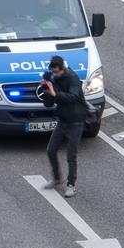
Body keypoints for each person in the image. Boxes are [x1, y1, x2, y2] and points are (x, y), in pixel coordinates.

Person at [40, 56, 84, 198]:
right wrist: (45, 89)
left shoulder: (73, 78)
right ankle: (57, 178)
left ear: (62, 68)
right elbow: (48, 103)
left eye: (57, 73)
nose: (55, 75)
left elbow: (73, 97)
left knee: (71, 155)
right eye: (53, 73)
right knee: (50, 150)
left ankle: (71, 185)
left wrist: (55, 93)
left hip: (76, 120)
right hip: (63, 120)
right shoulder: (53, 79)